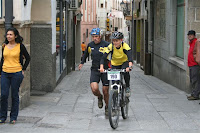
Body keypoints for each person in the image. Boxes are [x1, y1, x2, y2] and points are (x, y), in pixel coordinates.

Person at [0, 27, 30, 124]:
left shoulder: (20, 46)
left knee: (14, 95)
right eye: (7, 34)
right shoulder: (4, 46)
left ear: (15, 36)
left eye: (10, 34)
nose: (8, 36)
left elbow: (28, 58)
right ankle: (2, 117)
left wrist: (23, 69)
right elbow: (2, 60)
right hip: (5, 72)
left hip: (16, 73)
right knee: (3, 95)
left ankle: (13, 117)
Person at [78, 28, 110, 115]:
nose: (95, 38)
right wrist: (82, 63)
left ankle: (107, 107)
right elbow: (85, 55)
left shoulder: (107, 45)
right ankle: (99, 97)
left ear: (100, 36)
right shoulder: (90, 45)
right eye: (93, 36)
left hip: (105, 70)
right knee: (94, 89)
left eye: (96, 36)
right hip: (95, 69)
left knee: (105, 90)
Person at [100, 31, 133, 97]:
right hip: (115, 63)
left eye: (117, 41)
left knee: (125, 72)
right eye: (113, 41)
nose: (115, 42)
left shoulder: (125, 46)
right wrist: (101, 67)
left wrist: (129, 66)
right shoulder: (111, 46)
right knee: (114, 81)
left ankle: (127, 87)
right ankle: (114, 96)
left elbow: (130, 57)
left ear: (121, 40)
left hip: (124, 62)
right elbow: (103, 57)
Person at [186, 30, 200, 100]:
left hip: (195, 64)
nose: (189, 36)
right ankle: (193, 93)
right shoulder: (191, 43)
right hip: (191, 64)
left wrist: (196, 60)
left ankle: (196, 95)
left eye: (191, 35)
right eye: (188, 35)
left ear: (194, 36)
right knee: (192, 80)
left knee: (195, 80)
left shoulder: (196, 42)